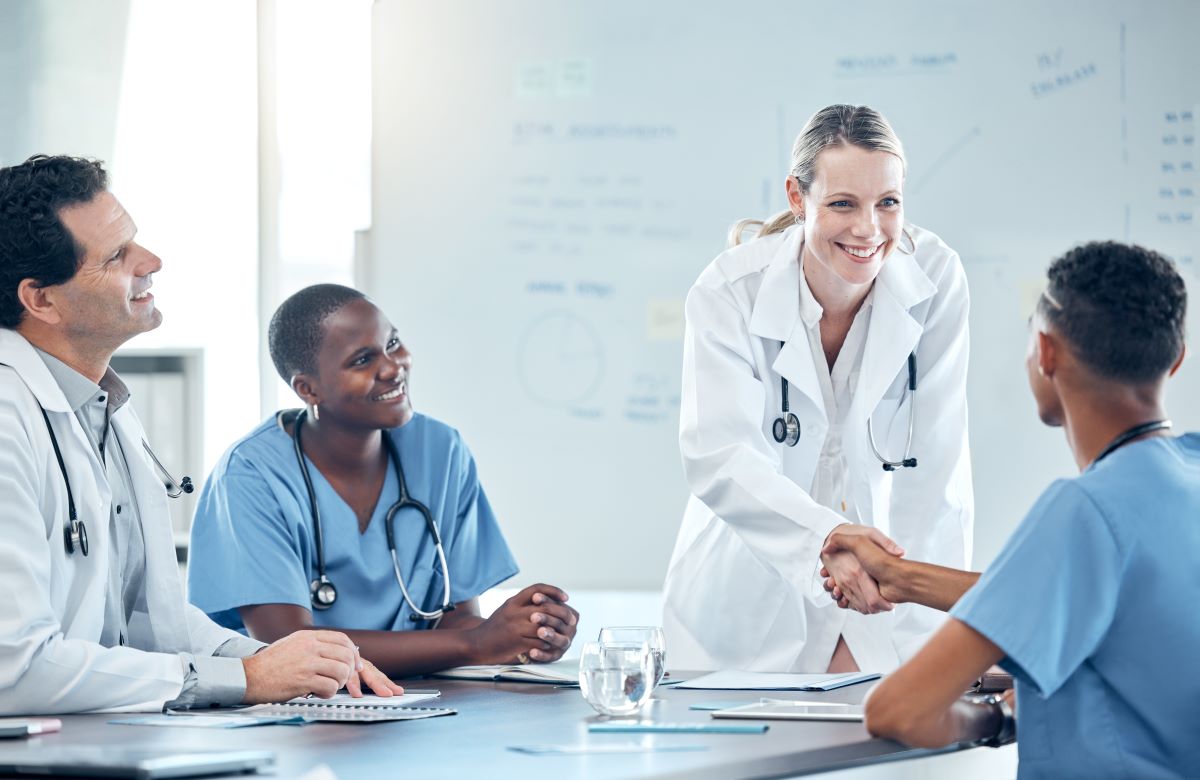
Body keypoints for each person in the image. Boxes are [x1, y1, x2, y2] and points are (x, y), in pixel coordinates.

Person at [0, 155, 401, 715]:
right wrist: (246, 677)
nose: (152, 261)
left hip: (96, 739)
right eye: (117, 256)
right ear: (40, 299)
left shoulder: (104, 407)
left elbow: (153, 618)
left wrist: (288, 663)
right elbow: (14, 667)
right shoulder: (8, 415)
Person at [860, 242, 1198, 778]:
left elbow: (899, 710)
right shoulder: (1187, 476)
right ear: (1176, 357)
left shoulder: (1083, 511)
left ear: (1046, 351)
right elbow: (1067, 594)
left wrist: (999, 720)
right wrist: (901, 577)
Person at [662, 104, 972, 674]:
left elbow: (935, 472)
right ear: (797, 197)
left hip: (885, 597)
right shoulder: (730, 291)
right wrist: (825, 540)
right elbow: (720, 456)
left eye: (888, 203)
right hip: (742, 606)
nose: (868, 229)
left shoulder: (935, 279)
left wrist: (916, 614)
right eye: (842, 204)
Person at [187, 284, 579, 676]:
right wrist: (477, 643)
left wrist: (524, 634)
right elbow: (288, 646)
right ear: (309, 389)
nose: (393, 366)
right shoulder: (251, 474)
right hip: (287, 716)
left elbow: (455, 622)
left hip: (418, 704)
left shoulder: (440, 450)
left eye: (392, 343)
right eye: (362, 359)